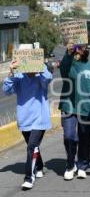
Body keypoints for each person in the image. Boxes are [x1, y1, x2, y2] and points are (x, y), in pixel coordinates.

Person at [2, 61, 52, 190]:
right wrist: (11, 72)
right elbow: (6, 91)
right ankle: (39, 166)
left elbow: (48, 78)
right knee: (33, 147)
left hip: (40, 119)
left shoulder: (41, 74)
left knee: (32, 146)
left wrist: (39, 66)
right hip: (24, 120)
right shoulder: (18, 76)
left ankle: (29, 178)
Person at [59, 43, 90, 180]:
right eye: (81, 47)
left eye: (85, 47)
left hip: (86, 108)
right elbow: (64, 68)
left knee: (85, 138)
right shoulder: (69, 64)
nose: (84, 49)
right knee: (69, 137)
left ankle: (82, 165)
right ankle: (70, 165)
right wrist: (68, 53)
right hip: (68, 106)